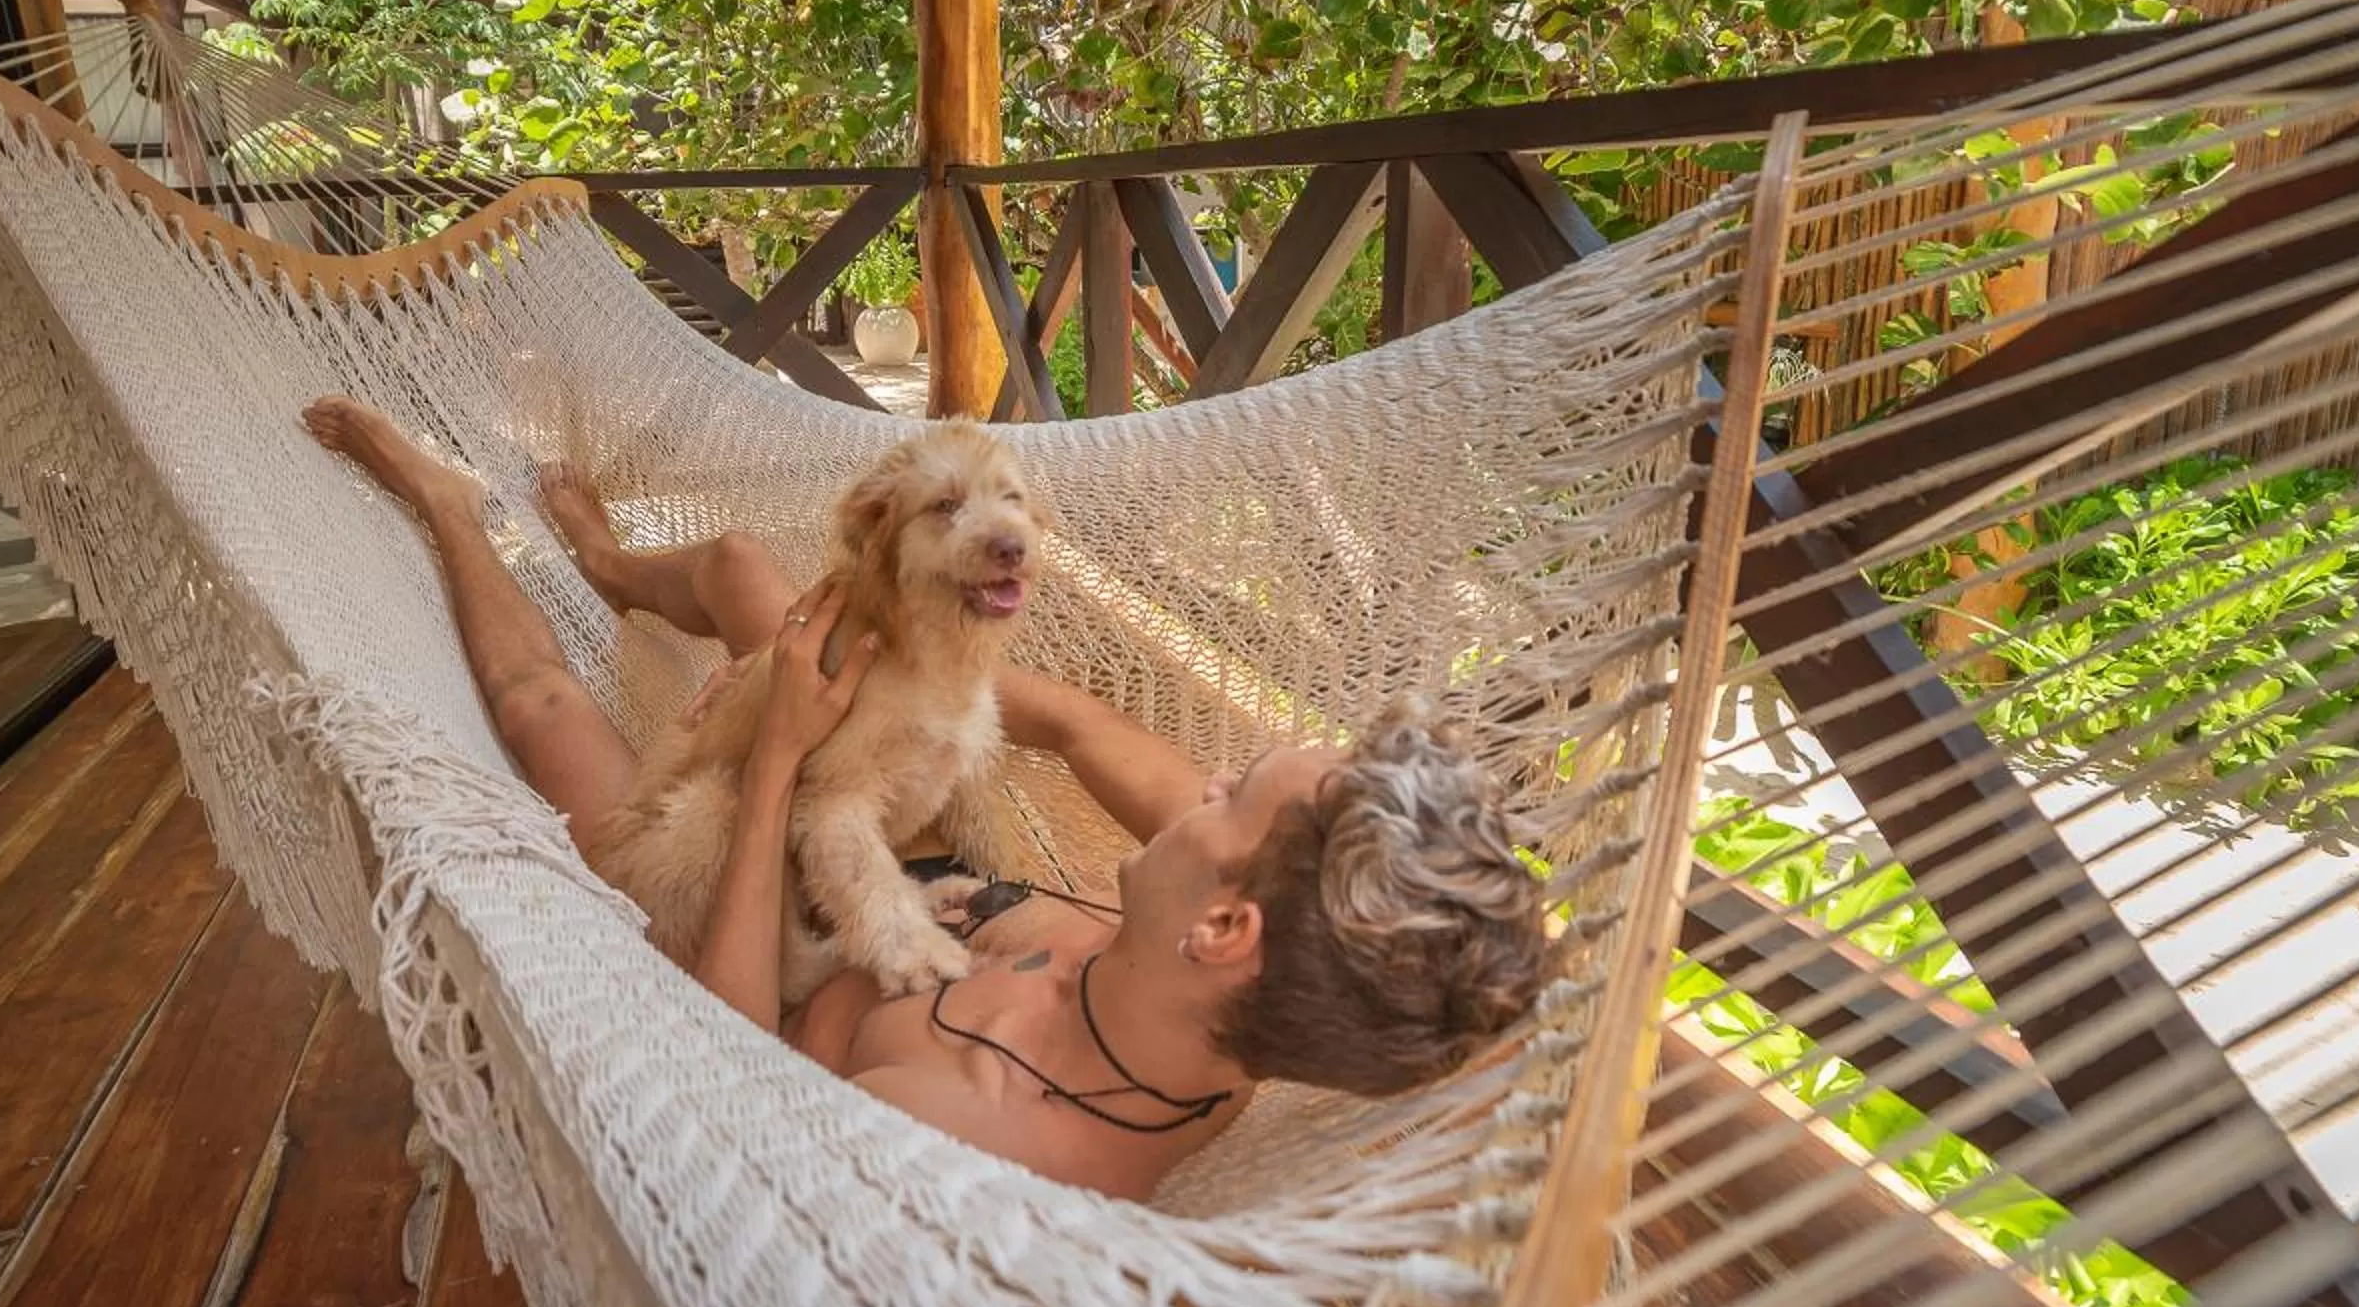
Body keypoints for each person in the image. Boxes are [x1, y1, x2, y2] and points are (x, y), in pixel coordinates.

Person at [304, 397, 1548, 1201]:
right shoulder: (1243, 958)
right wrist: (856, 669)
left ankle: (449, 509)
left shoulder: (963, 1130)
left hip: (749, 928)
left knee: (544, 711)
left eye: (1226, 792)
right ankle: (610, 566)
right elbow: (1060, 719)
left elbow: (725, 1046)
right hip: (888, 818)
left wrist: (783, 748)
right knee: (745, 570)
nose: (1201, 778)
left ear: (1227, 923)